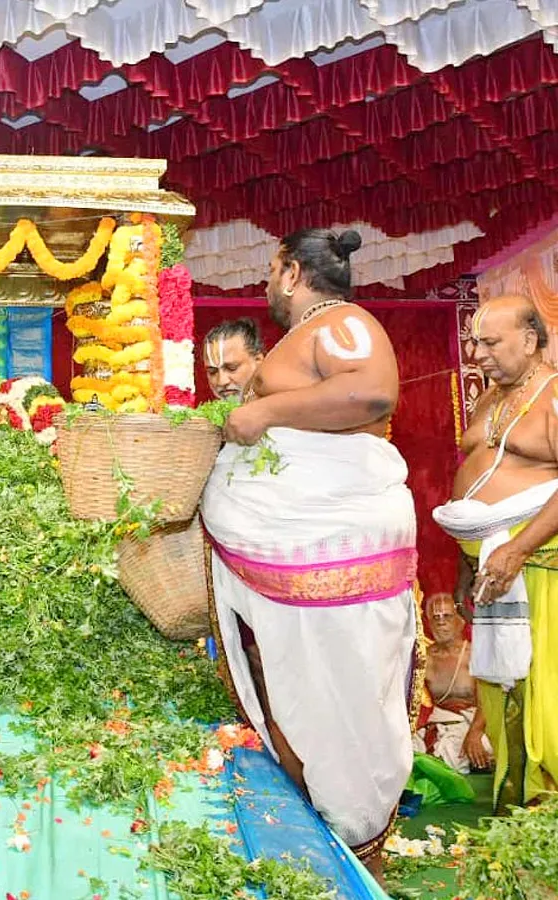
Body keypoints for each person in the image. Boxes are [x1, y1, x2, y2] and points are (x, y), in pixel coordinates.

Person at [200, 228, 418, 882]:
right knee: (291, 686)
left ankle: (352, 842)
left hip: (331, 541)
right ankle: (323, 841)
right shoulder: (307, 337)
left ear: (292, 272)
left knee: (337, 692)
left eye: (271, 271)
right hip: (289, 553)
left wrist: (264, 414)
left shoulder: (343, 322)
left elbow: (373, 392)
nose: (267, 285)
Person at [433, 294, 558, 814]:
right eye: (474, 342)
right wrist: (470, 562)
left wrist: (516, 549)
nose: (477, 353)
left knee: (544, 689)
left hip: (537, 565)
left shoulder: (553, 395)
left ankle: (547, 803)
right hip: (491, 564)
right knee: (503, 687)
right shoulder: (489, 398)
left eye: (490, 342)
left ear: (529, 340)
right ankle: (518, 804)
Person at [413, 593, 493, 774]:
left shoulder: (473, 653)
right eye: (436, 617)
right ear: (428, 623)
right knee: (409, 749)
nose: (441, 622)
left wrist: (474, 734)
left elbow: (488, 701)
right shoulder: (423, 657)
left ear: (459, 620)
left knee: (479, 747)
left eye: (447, 616)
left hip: (475, 723)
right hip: (440, 722)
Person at [202, 317, 265, 401]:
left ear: (258, 361)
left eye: (232, 368)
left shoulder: (284, 406)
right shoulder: (206, 413)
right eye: (212, 372)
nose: (222, 381)